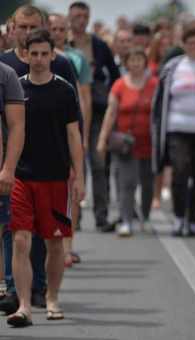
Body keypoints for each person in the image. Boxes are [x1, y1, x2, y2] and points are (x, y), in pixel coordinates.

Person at [0, 4, 80, 315]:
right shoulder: (11, 78)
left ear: (51, 54)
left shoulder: (63, 81)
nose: (38, 59)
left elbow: (74, 131)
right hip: (21, 172)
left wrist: (79, 174)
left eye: (44, 54)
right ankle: (19, 300)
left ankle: (47, 294)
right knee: (19, 237)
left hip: (55, 175)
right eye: (33, 53)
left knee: (52, 242)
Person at [151, 25, 195, 237]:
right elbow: (160, 99)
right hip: (176, 128)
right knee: (180, 172)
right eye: (189, 43)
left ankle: (193, 220)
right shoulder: (173, 67)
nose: (193, 47)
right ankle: (178, 218)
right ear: (183, 45)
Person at [69, 1, 120, 232]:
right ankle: (73, 218)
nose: (80, 20)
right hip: (69, 110)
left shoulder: (98, 45)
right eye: (77, 16)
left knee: (99, 163)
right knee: (73, 164)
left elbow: (115, 75)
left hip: (97, 108)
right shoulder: (61, 45)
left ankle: (101, 215)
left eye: (84, 16)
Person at [96, 47, 156, 237]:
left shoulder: (155, 84)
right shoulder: (119, 85)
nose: (136, 63)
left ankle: (145, 216)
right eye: (132, 60)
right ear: (127, 63)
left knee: (147, 182)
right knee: (126, 183)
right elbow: (111, 112)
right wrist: (102, 138)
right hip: (125, 143)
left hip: (149, 142)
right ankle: (126, 220)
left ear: (145, 63)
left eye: (139, 59)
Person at [48, 12, 93, 267]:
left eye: (60, 29)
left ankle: (68, 244)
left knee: (72, 187)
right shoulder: (36, 55)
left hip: (70, 127)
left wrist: (82, 133)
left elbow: (82, 96)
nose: (57, 33)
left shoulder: (72, 60)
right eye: (52, 28)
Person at [0, 62, 24, 301]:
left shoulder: (6, 75)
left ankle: (10, 288)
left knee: (7, 228)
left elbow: (17, 126)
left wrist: (8, 168)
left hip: (2, 168)